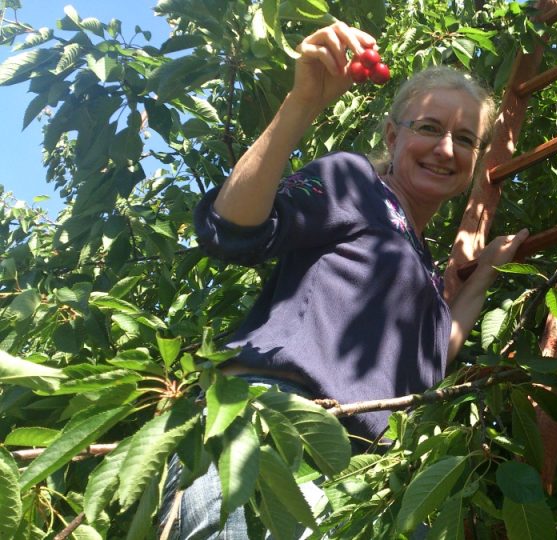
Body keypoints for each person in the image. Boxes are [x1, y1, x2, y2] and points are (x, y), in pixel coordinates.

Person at [159, 22, 528, 538]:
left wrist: (484, 272)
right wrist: (303, 101)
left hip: (370, 482)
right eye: (429, 128)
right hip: (277, 432)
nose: (446, 148)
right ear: (393, 135)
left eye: (465, 138)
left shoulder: (418, 259)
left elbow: (438, 352)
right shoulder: (356, 182)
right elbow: (233, 230)